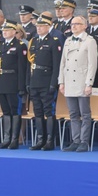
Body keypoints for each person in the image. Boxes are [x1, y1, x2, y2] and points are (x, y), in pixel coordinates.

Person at [59, 16, 98, 152]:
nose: (74, 26)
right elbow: (63, 63)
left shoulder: (89, 41)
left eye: (77, 24)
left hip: (82, 80)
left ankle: (84, 141)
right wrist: (61, 81)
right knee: (73, 113)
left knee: (85, 113)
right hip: (69, 80)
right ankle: (75, 140)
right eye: (72, 24)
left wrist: (89, 83)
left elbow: (92, 64)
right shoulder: (68, 40)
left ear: (84, 26)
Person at [27, 13, 62, 151]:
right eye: (38, 26)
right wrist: (28, 82)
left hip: (47, 80)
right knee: (38, 111)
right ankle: (40, 139)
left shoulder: (53, 41)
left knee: (48, 111)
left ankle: (49, 140)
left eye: (42, 26)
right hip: (35, 79)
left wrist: (54, 83)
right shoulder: (34, 41)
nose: (39, 28)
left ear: (49, 26)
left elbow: (56, 65)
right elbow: (28, 64)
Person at [0, 21, 27, 149]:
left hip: (13, 81)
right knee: (6, 111)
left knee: (14, 110)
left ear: (14, 31)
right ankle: (6, 138)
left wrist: (21, 86)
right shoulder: (0, 45)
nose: (5, 32)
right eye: (3, 30)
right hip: (2, 81)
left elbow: (22, 68)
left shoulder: (19, 45)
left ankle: (14, 138)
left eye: (8, 30)